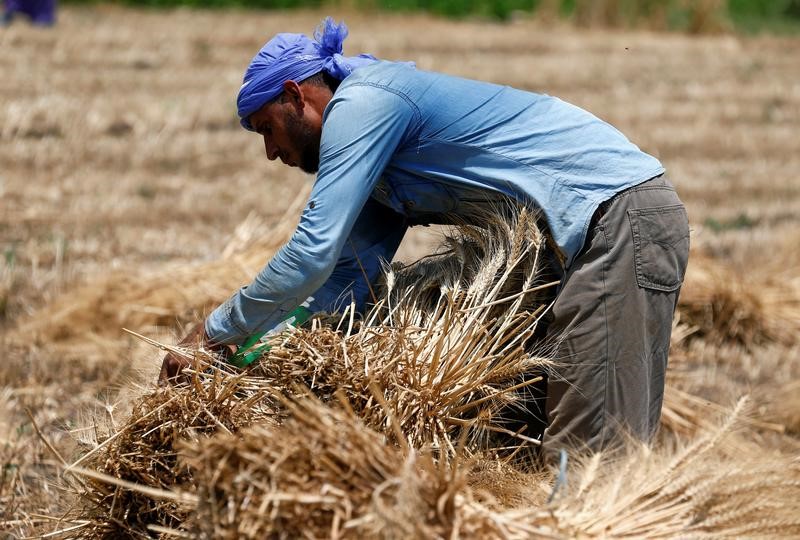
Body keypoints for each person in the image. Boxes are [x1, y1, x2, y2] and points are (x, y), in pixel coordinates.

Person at [159, 17, 690, 461]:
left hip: (617, 220)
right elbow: (344, 277)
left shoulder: (366, 105)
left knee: (593, 451)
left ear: (296, 96)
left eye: (266, 128)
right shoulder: (382, 166)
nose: (270, 152)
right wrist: (246, 356)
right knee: (526, 436)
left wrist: (213, 331)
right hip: (584, 240)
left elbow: (311, 253)